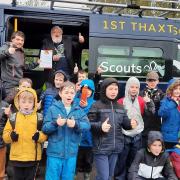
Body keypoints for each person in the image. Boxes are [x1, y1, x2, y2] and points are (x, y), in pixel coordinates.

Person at [88, 77, 137, 180]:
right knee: (104, 177)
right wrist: (100, 127)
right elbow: (89, 124)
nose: (113, 92)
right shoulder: (96, 105)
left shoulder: (120, 107)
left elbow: (125, 124)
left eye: (115, 89)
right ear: (104, 89)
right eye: (110, 89)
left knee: (109, 176)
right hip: (101, 147)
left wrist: (131, 124)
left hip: (115, 148)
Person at [42, 81, 90, 180]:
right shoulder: (52, 109)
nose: (69, 95)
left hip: (71, 154)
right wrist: (55, 123)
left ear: (75, 94)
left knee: (68, 177)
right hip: (54, 153)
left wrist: (76, 124)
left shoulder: (78, 110)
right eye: (66, 92)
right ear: (60, 94)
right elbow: (45, 128)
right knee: (52, 177)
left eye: (72, 93)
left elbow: (87, 126)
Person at [115, 77, 155, 180]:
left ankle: (131, 176)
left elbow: (149, 113)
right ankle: (120, 177)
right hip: (124, 135)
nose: (134, 89)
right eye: (132, 87)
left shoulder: (142, 100)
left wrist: (149, 103)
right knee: (122, 159)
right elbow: (118, 119)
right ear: (127, 87)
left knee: (134, 159)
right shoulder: (121, 101)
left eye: (136, 87)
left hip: (137, 135)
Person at [3, 88, 47, 180]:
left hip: (32, 158)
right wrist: (11, 136)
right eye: (23, 102)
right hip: (17, 157)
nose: (26, 104)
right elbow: (5, 136)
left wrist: (39, 136)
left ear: (34, 103)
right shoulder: (13, 118)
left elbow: (45, 135)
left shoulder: (39, 117)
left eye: (30, 102)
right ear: (18, 102)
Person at [74, 79, 95, 180]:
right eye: (84, 90)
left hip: (90, 139)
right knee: (76, 160)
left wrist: (86, 107)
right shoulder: (75, 101)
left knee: (88, 160)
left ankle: (87, 176)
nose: (86, 92)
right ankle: (73, 175)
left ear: (93, 91)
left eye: (89, 90)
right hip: (76, 138)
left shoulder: (95, 103)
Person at [140, 71, 164, 147]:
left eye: (154, 80)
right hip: (144, 127)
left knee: (155, 149)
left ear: (158, 81)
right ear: (146, 81)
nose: (152, 82)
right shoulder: (141, 93)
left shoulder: (162, 94)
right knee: (144, 148)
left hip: (156, 127)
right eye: (150, 80)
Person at [158, 79, 180, 149]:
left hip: (178, 137)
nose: (178, 91)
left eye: (179, 89)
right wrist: (173, 103)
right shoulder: (166, 101)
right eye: (175, 89)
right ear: (171, 89)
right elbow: (161, 113)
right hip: (168, 137)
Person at [0, 82, 9, 180]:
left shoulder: (5, 105)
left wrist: (9, 115)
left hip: (1, 142)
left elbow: (11, 125)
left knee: (1, 171)